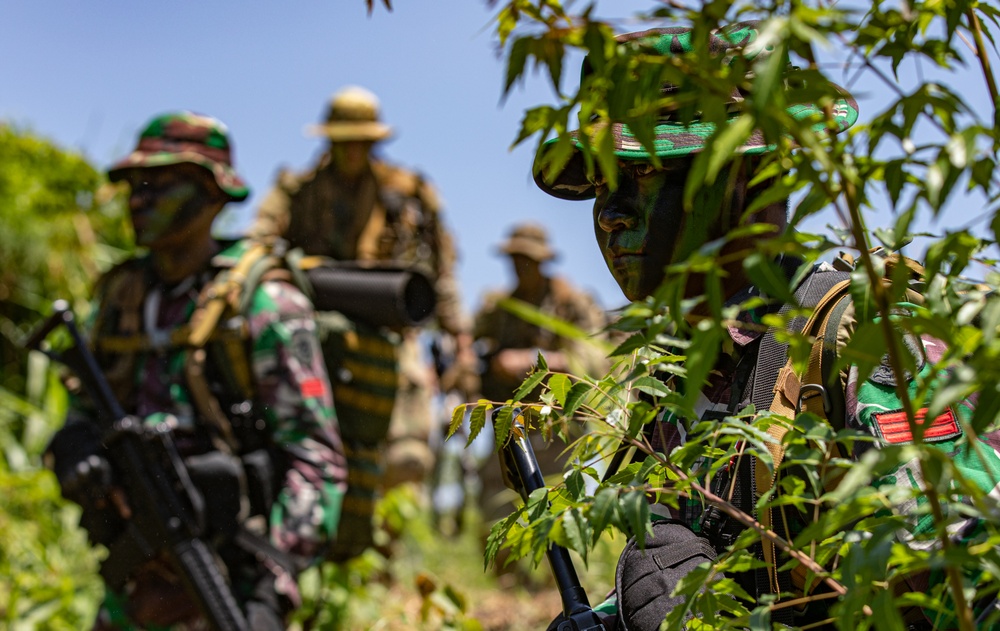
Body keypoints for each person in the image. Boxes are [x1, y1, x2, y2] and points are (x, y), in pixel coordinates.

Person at [531, 21, 997, 631]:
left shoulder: (863, 343)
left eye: (644, 173)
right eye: (599, 183)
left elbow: (969, 590)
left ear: (751, 182)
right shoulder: (676, 373)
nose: (612, 213)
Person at [44, 111, 348, 630]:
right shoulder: (118, 301)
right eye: (132, 186)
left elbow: (316, 460)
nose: (138, 199)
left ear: (211, 196)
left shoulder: (264, 305)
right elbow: (83, 414)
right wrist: (76, 448)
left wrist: (271, 585)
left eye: (158, 185)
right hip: (139, 577)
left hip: (233, 572)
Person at [251, 86, 477, 492]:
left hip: (391, 325)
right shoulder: (297, 191)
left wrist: (458, 337)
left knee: (406, 454)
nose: (353, 151)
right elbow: (260, 241)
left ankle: (383, 533)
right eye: (344, 142)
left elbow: (443, 271)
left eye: (363, 142)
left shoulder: (408, 191)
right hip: (312, 322)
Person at [473, 222, 608, 547]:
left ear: (542, 261)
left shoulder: (571, 302)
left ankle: (550, 585)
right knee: (497, 499)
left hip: (558, 425)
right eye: (515, 259)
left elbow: (595, 358)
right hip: (511, 420)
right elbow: (470, 340)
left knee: (554, 505)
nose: (520, 268)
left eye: (527, 260)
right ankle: (503, 577)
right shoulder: (500, 307)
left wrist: (530, 362)